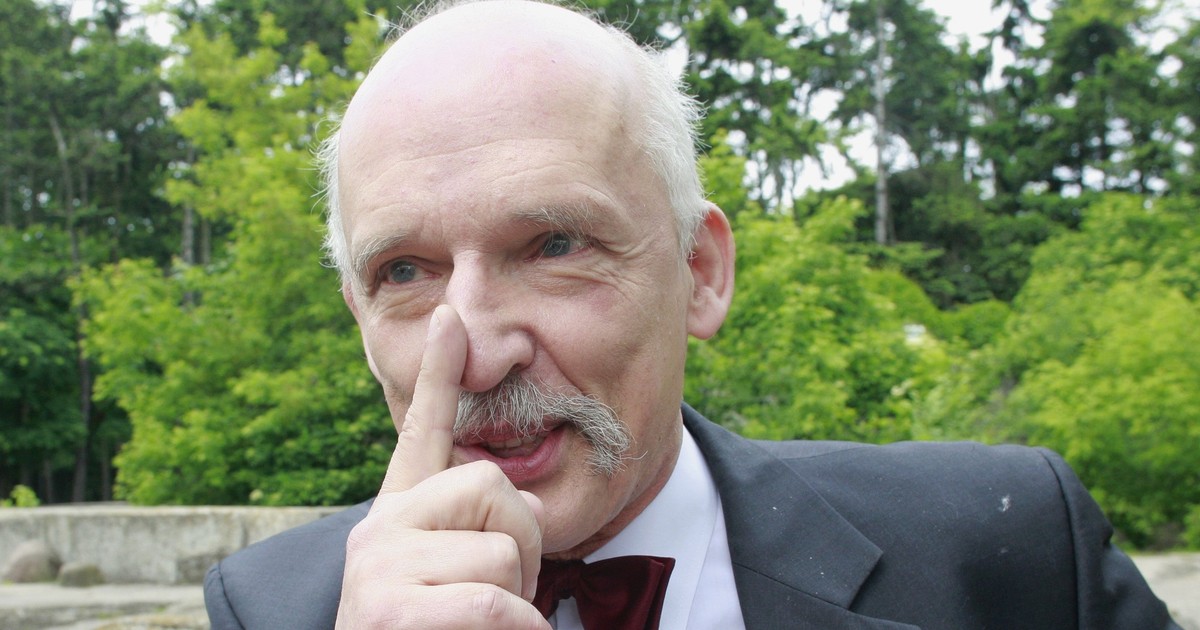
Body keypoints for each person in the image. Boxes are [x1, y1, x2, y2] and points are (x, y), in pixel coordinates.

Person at [203, 1, 1180, 628]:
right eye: (406, 271)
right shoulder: (270, 608)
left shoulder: (1007, 550)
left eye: (554, 246)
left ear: (701, 273)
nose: (479, 354)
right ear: (359, 315)